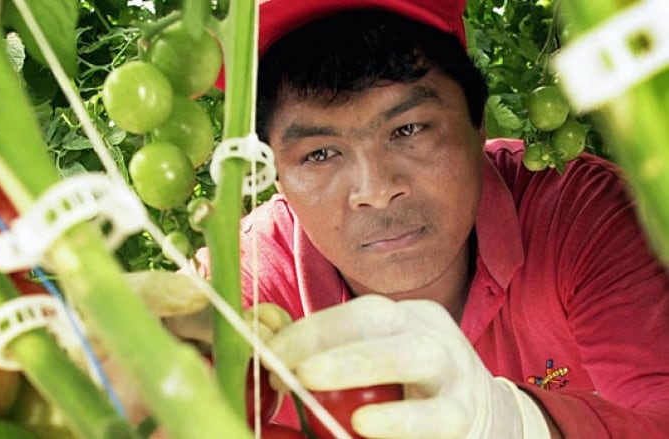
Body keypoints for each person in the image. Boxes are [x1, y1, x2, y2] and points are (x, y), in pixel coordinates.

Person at [191, 0, 669, 437]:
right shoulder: (245, 281)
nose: (376, 191)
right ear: (275, 174)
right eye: (320, 154)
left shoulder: (580, 217)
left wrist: (515, 423)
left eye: (409, 129)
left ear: (476, 123)